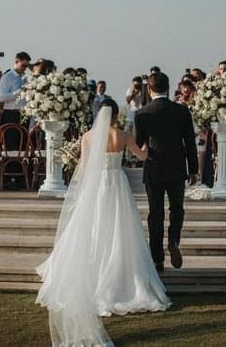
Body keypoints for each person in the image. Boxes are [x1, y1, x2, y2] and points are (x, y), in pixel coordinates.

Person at [35, 100, 169, 346]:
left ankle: (91, 275)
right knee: (119, 230)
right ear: (117, 115)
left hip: (96, 187)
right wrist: (149, 146)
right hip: (117, 185)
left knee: (95, 228)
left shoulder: (87, 136)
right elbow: (141, 156)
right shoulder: (123, 135)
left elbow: (84, 167)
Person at [134, 72, 198, 273]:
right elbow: (190, 143)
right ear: (169, 88)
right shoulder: (182, 112)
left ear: (149, 89)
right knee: (177, 208)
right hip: (177, 168)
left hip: (153, 168)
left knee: (155, 213)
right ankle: (173, 241)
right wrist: (193, 169)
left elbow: (138, 145)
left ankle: (157, 259)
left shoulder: (142, 114)